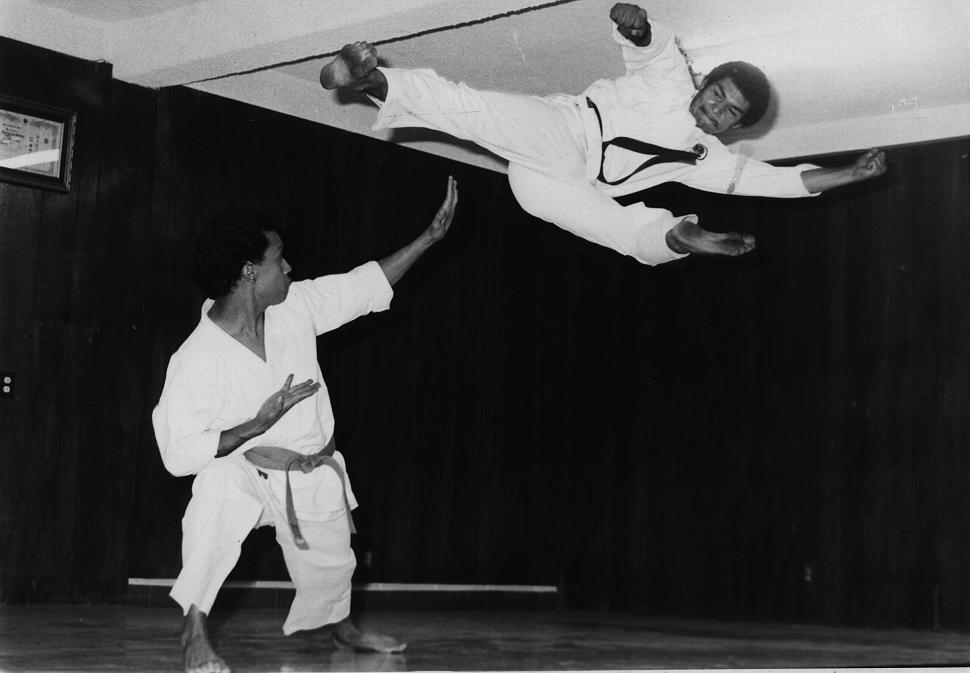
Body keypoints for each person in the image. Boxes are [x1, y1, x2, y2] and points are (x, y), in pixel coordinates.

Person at [152, 177, 459, 673]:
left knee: (335, 565)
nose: (289, 266)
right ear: (249, 272)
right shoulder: (196, 357)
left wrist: (427, 239)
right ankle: (194, 632)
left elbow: (362, 285)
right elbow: (176, 453)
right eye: (279, 258)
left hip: (311, 470)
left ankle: (344, 629)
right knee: (214, 501)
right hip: (247, 470)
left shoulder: (293, 307)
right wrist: (256, 424)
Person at [319, 3, 886, 267]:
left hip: (558, 191)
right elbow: (656, 49)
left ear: (739, 127)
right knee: (474, 109)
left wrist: (849, 174)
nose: (716, 112)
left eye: (730, 114)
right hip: (563, 130)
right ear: (705, 82)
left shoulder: (705, 158)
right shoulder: (670, 83)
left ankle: (678, 239)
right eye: (716, 95)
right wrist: (638, 29)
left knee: (626, 232)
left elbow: (779, 181)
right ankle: (369, 79)